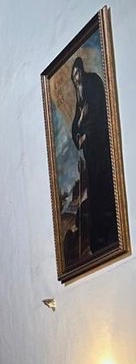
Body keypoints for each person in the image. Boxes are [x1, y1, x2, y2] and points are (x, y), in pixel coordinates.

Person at [69, 55, 115, 256]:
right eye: (73, 77)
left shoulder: (93, 83)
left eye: (77, 75)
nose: (75, 80)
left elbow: (98, 113)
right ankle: (98, 241)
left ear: (81, 71)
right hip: (91, 154)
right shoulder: (80, 99)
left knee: (104, 188)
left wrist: (87, 133)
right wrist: (80, 130)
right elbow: (76, 125)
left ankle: (110, 236)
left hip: (101, 149)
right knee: (95, 193)